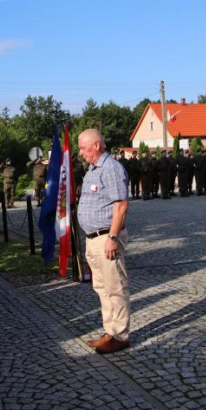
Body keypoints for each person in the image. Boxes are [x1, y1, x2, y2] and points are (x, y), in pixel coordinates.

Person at [77, 129, 130, 355]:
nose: (81, 153)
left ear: (97, 146)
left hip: (106, 237)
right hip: (93, 239)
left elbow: (121, 206)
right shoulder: (92, 170)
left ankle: (119, 335)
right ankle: (110, 331)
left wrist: (112, 237)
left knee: (115, 287)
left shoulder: (111, 168)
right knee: (102, 287)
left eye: (83, 148)